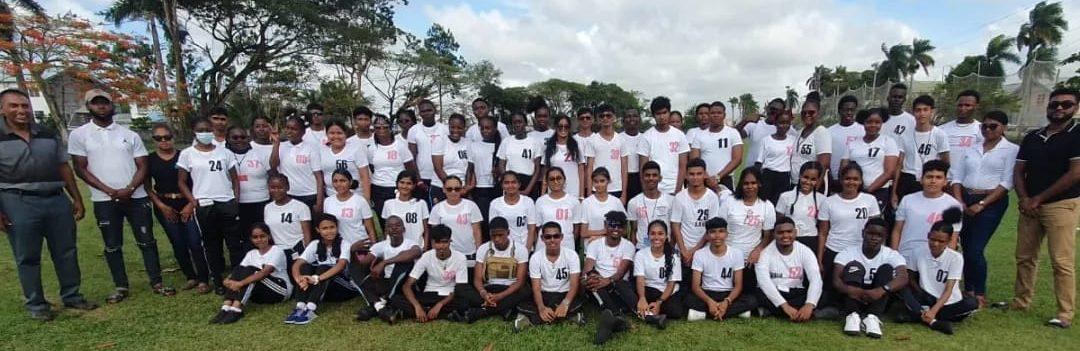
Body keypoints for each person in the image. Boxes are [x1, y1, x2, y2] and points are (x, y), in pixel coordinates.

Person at [0, 88, 97, 320]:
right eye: (14, 106)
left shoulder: (46, 133)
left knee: (66, 251)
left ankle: (72, 296)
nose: (21, 110)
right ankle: (36, 304)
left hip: (55, 199)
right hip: (17, 201)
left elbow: (64, 167)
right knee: (27, 255)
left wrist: (76, 198)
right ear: (2, 109)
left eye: (25, 106)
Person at [69, 89, 170, 301]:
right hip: (105, 199)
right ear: (89, 107)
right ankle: (121, 286)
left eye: (104, 102)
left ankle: (157, 281)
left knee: (147, 240)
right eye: (96, 103)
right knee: (112, 244)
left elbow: (142, 165)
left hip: (136, 197)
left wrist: (130, 189)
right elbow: (80, 168)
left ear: (111, 105)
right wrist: (109, 191)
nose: (101, 106)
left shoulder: (129, 135)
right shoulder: (79, 135)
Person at [1010, 88, 1080, 329]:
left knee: (1061, 261)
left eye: (1066, 104)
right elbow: (1019, 170)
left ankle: (1064, 313)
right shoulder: (1033, 136)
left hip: (1061, 205)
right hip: (1030, 205)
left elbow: (1075, 174)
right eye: (1054, 104)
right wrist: (1024, 198)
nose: (1059, 108)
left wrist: (1038, 198)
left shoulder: (1077, 134)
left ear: (1075, 107)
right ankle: (1020, 301)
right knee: (1025, 257)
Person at [949, 110, 1018, 307]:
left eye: (993, 126)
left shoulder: (1011, 150)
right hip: (965, 197)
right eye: (984, 126)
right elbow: (957, 176)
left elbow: (1006, 182)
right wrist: (959, 200)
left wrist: (982, 204)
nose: (987, 130)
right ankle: (968, 289)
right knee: (966, 245)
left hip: (991, 201)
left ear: (1003, 127)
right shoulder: (972, 148)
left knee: (976, 248)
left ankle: (979, 292)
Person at [178, 117, 241, 295]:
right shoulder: (187, 154)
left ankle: (237, 278)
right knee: (212, 245)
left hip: (226, 201)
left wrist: (235, 199)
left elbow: (235, 178)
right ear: (194, 131)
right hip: (204, 204)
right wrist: (193, 201)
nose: (205, 132)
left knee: (234, 243)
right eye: (201, 129)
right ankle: (218, 280)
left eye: (208, 129)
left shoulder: (224, 152)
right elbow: (182, 182)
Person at [146, 124, 209, 293]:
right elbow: (146, 186)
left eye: (167, 137)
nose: (164, 141)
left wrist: (191, 203)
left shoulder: (185, 155)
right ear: (154, 140)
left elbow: (197, 180)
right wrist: (160, 205)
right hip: (165, 204)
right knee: (178, 242)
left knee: (195, 241)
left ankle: (203, 278)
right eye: (159, 138)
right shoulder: (150, 160)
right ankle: (190, 276)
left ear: (173, 137)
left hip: (188, 201)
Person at [897, 208, 977, 335]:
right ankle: (932, 321)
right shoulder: (918, 252)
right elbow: (910, 277)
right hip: (926, 297)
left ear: (949, 241)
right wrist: (920, 292)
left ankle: (920, 315)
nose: (935, 244)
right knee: (902, 288)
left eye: (941, 241)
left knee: (972, 303)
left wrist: (933, 310)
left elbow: (949, 289)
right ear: (928, 236)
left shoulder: (955, 258)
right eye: (932, 239)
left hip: (947, 301)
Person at [817, 163, 881, 308]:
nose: (851, 182)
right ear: (841, 180)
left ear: (861, 181)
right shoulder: (829, 202)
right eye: (847, 178)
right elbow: (822, 233)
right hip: (834, 250)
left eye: (855, 179)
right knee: (830, 292)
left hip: (860, 251)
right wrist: (820, 260)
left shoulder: (869, 200)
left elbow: (877, 230)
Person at [833, 218, 909, 339]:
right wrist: (853, 291)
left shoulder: (891, 254)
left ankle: (872, 317)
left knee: (886, 269)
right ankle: (853, 315)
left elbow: (903, 277)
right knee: (854, 266)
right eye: (870, 233)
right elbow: (836, 280)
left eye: (879, 235)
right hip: (854, 294)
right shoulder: (848, 252)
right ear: (863, 233)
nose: (874, 238)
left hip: (878, 295)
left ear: (885, 237)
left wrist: (882, 289)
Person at [383, 225, 468, 324]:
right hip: (428, 295)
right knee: (396, 299)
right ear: (432, 243)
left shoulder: (460, 258)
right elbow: (407, 286)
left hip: (449, 297)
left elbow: (460, 288)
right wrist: (417, 306)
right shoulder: (426, 256)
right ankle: (445, 314)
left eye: (444, 242)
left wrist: (440, 305)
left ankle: (413, 313)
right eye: (437, 242)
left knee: (464, 302)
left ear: (450, 241)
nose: (441, 246)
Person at [284, 213, 358, 325]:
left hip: (344, 288)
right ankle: (300, 306)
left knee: (323, 267)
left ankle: (311, 308)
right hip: (324, 288)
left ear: (337, 227)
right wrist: (299, 279)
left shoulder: (344, 244)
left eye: (332, 227)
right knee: (305, 267)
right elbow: (297, 264)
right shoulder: (315, 244)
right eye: (324, 228)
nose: (329, 231)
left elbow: (340, 266)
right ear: (318, 230)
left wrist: (316, 279)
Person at [211, 223, 292, 324]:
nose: (259, 239)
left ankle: (236, 310)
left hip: (279, 290)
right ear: (251, 239)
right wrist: (228, 279)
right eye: (255, 237)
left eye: (262, 236)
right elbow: (239, 271)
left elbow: (264, 273)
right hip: (260, 293)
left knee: (252, 271)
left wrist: (240, 283)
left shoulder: (277, 251)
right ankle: (226, 307)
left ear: (269, 236)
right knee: (242, 269)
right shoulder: (251, 253)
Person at [454, 217, 530, 322]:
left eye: (500, 235)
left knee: (526, 290)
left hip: (509, 290)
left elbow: (519, 282)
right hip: (489, 288)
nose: (497, 239)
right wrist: (484, 294)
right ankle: (503, 309)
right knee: (460, 288)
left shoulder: (520, 249)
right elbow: (477, 279)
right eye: (493, 236)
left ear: (508, 233)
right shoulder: (483, 249)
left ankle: (481, 312)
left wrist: (500, 296)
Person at [514, 222, 586, 332]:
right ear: (542, 238)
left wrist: (565, 304)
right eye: (548, 237)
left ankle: (531, 318)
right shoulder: (536, 257)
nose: (552, 240)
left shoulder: (572, 255)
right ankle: (568, 317)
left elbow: (574, 285)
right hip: (544, 294)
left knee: (579, 301)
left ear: (561, 237)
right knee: (523, 302)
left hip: (564, 294)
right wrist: (541, 308)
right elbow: (536, 288)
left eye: (556, 236)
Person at [686, 218, 759, 321]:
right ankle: (733, 312)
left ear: (726, 234)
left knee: (752, 300)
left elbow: (738, 285)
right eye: (712, 232)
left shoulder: (736, 253)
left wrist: (726, 302)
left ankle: (704, 314)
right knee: (687, 299)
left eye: (721, 231)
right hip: (707, 293)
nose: (717, 236)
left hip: (728, 293)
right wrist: (710, 302)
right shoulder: (699, 254)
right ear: (707, 235)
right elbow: (695, 286)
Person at [892, 160, 963, 264]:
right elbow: (897, 230)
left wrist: (945, 262)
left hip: (935, 258)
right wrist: (894, 255)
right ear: (921, 179)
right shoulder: (907, 200)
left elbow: (953, 237)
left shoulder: (954, 205)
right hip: (906, 256)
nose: (933, 181)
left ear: (945, 181)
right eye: (929, 177)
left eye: (938, 177)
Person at [353, 216, 421, 322]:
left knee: (403, 262)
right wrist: (353, 251)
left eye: (398, 225)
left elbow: (416, 252)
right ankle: (381, 307)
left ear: (404, 229)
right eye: (390, 226)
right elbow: (363, 264)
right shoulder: (381, 245)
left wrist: (384, 262)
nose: (394, 228)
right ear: (386, 230)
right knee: (358, 272)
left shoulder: (411, 244)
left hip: (404, 283)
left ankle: (374, 307)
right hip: (387, 282)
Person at [671, 158, 724, 291]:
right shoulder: (680, 197)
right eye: (692, 174)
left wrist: (694, 251)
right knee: (682, 289)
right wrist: (684, 251)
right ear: (686, 176)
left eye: (699, 174)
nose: (695, 177)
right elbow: (675, 226)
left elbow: (711, 229)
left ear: (704, 174)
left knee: (702, 286)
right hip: (683, 251)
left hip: (704, 250)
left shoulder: (712, 197)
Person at [583, 211, 636, 345]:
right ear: (606, 226)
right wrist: (594, 278)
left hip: (616, 284)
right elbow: (588, 268)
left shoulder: (628, 245)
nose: (615, 229)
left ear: (624, 229)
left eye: (620, 226)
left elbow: (620, 272)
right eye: (612, 225)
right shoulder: (594, 245)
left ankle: (614, 318)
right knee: (593, 282)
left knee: (620, 283)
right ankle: (617, 317)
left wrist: (607, 281)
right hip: (598, 284)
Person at [756, 217, 822, 322]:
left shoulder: (805, 251)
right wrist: (784, 305)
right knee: (757, 296)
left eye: (789, 232)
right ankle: (807, 313)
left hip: (796, 292)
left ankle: (771, 312)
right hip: (774, 292)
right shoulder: (764, 253)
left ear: (796, 232)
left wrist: (809, 304)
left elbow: (815, 278)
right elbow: (764, 282)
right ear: (774, 234)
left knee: (825, 294)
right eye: (780, 232)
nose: (785, 236)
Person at [841, 108, 899, 220]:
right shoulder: (853, 143)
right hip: (854, 191)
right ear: (863, 123)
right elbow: (843, 168)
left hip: (878, 192)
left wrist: (868, 191)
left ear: (882, 123)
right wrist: (853, 189)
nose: (873, 125)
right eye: (869, 122)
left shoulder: (888, 141)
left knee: (873, 225)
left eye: (877, 122)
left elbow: (889, 172)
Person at [893, 95, 950, 205]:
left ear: (932, 111)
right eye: (918, 110)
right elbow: (899, 164)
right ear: (913, 112)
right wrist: (894, 192)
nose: (922, 114)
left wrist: (940, 183)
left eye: (925, 110)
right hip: (907, 179)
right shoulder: (905, 134)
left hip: (929, 179)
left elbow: (945, 163)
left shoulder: (939, 134)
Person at [719, 168, 776, 273]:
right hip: (727, 258)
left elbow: (768, 236)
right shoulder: (729, 202)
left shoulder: (767, 206)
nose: (750, 187)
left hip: (751, 261)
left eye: (753, 183)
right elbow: (719, 230)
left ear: (759, 184)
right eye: (746, 183)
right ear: (741, 184)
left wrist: (758, 251)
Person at [227, 125, 273, 255]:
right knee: (242, 237)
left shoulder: (259, 154)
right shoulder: (224, 155)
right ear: (228, 139)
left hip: (261, 201)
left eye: (243, 137)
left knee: (262, 235)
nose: (239, 140)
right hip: (236, 203)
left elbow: (272, 175)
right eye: (235, 137)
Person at [631, 220, 685, 328]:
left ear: (666, 236)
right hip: (648, 289)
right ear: (648, 236)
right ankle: (650, 313)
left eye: (660, 233)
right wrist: (642, 298)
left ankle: (647, 312)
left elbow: (671, 284)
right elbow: (640, 279)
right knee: (631, 294)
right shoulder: (641, 254)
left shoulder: (674, 256)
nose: (656, 237)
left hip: (666, 292)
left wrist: (659, 303)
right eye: (653, 233)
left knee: (676, 311)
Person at [270, 116, 323, 213]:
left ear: (303, 132)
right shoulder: (281, 146)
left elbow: (319, 177)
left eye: (294, 129)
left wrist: (319, 202)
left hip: (309, 195)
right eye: (287, 128)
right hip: (288, 196)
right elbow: (273, 165)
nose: (289, 131)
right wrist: (276, 144)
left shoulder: (311, 148)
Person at [638, 96, 689, 195]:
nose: (662, 117)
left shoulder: (679, 135)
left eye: (664, 112)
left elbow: (683, 165)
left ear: (669, 112)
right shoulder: (646, 137)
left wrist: (678, 191)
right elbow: (643, 168)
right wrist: (646, 191)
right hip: (654, 190)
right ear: (653, 115)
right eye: (658, 114)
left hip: (675, 189)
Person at [368, 115, 416, 220]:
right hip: (378, 189)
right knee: (384, 220)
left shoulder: (400, 145)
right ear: (374, 129)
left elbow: (410, 168)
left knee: (399, 219)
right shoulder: (371, 148)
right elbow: (371, 168)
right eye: (378, 127)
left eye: (385, 127)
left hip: (398, 188)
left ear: (390, 128)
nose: (381, 130)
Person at [428, 176, 483, 267]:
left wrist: (479, 254)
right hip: (447, 256)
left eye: (457, 189)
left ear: (461, 189)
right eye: (449, 189)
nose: (453, 192)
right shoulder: (437, 209)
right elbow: (435, 236)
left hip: (469, 255)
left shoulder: (471, 206)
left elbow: (477, 232)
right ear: (444, 190)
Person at [689, 101, 743, 192]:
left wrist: (718, 177)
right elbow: (694, 160)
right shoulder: (699, 136)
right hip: (704, 180)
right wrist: (707, 177)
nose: (716, 115)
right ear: (709, 115)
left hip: (726, 178)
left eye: (719, 113)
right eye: (713, 113)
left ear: (724, 115)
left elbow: (737, 159)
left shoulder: (732, 133)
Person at [585, 104, 630, 203]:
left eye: (608, 115)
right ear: (598, 119)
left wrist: (624, 193)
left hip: (616, 189)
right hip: (596, 188)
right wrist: (589, 193)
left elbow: (624, 168)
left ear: (614, 118)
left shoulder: (621, 140)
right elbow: (589, 168)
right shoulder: (592, 140)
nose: (605, 118)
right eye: (602, 116)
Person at [775, 162, 825, 251]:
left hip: (811, 240)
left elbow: (822, 229)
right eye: (805, 177)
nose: (808, 182)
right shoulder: (785, 196)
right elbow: (779, 224)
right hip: (790, 240)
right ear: (800, 176)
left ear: (817, 180)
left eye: (813, 179)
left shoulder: (822, 199)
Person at [407, 100, 448, 207]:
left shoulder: (445, 129)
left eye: (429, 110)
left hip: (440, 177)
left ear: (435, 110)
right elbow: (412, 157)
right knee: (423, 209)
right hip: (422, 177)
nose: (426, 113)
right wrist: (418, 179)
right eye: (423, 111)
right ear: (419, 113)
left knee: (440, 209)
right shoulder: (414, 130)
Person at [319, 119, 371, 201]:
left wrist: (367, 199)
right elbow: (321, 176)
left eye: (339, 133)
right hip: (331, 197)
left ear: (345, 134)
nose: (336, 136)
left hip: (355, 196)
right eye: (332, 133)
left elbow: (365, 176)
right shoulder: (322, 151)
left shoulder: (356, 149)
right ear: (326, 134)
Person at [263, 173, 312, 260]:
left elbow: (307, 234)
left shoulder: (301, 207)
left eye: (280, 187)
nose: (276, 191)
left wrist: (306, 256)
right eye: (273, 188)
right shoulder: (267, 208)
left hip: (297, 249)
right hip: (277, 251)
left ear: (288, 187)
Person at [627, 161, 674, 250]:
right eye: (647, 175)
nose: (651, 178)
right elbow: (633, 230)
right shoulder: (633, 202)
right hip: (641, 248)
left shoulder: (670, 200)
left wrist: (671, 247)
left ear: (660, 178)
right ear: (642, 177)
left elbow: (673, 227)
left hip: (664, 248)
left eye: (654, 175)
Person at [534, 167, 582, 252]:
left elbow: (576, 228)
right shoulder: (540, 201)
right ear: (547, 182)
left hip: (567, 247)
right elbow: (537, 227)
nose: (555, 182)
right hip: (544, 247)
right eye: (552, 179)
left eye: (559, 178)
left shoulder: (574, 201)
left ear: (564, 180)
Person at [323, 170, 376, 246]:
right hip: (339, 247)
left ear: (350, 182)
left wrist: (373, 251)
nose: (339, 184)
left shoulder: (360, 201)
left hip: (360, 245)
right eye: (335, 181)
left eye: (342, 181)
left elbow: (370, 230)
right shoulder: (327, 201)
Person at [789, 96, 832, 189]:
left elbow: (824, 164)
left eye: (811, 112)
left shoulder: (821, 132)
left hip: (811, 186)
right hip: (796, 183)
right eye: (804, 112)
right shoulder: (799, 132)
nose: (807, 115)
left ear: (818, 114)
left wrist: (815, 189)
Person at [497, 112, 543, 198]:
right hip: (511, 183)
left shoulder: (534, 142)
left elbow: (537, 169)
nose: (517, 124)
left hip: (529, 183)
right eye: (515, 122)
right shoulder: (506, 142)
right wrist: (508, 183)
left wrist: (528, 190)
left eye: (520, 122)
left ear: (525, 123)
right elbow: (501, 165)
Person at [467, 116, 501, 231]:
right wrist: (468, 190)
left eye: (488, 128)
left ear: (495, 128)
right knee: (483, 222)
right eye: (482, 128)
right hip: (480, 189)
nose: (485, 131)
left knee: (496, 222)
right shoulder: (474, 146)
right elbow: (470, 169)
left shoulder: (501, 145)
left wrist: (497, 171)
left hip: (497, 188)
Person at [755, 110, 796, 204]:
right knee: (765, 204)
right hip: (768, 176)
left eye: (787, 123)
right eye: (781, 122)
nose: (784, 125)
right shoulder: (766, 140)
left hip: (785, 177)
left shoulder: (793, 140)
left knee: (780, 205)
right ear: (775, 123)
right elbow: (759, 162)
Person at [489, 172, 537, 250]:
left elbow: (531, 229)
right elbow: (493, 231)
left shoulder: (528, 202)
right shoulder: (495, 204)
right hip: (504, 249)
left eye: (513, 182)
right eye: (507, 183)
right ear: (502, 185)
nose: (510, 185)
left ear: (519, 184)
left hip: (524, 247)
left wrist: (526, 252)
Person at [543, 114, 586, 199]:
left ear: (569, 128)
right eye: (560, 126)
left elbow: (581, 172)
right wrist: (542, 194)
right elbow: (546, 173)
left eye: (566, 126)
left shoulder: (576, 146)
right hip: (553, 193)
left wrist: (581, 195)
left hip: (573, 193)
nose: (563, 129)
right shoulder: (549, 147)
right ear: (555, 127)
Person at [382, 170, 430, 247]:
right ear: (397, 183)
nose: (404, 186)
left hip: (416, 247)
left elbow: (426, 229)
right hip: (394, 248)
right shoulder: (388, 204)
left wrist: (425, 247)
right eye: (402, 182)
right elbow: (386, 229)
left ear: (414, 185)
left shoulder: (421, 203)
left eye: (409, 183)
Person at [580, 168, 627, 242]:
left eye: (602, 181)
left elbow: (624, 231)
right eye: (596, 181)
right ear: (592, 183)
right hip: (592, 248)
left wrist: (600, 237)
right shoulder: (586, 203)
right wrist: (606, 231)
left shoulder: (616, 202)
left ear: (608, 181)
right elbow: (583, 233)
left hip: (613, 247)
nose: (599, 184)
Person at [828, 96, 865, 192]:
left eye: (852, 110)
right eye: (846, 110)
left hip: (854, 180)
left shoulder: (862, 130)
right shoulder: (829, 131)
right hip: (834, 179)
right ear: (839, 111)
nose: (849, 113)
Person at [431, 113, 469, 203]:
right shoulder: (439, 141)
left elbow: (470, 168)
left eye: (459, 128)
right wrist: (452, 187)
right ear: (449, 127)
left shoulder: (468, 143)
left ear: (464, 128)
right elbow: (438, 168)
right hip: (441, 187)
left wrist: (466, 187)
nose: (455, 130)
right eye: (452, 127)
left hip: (462, 188)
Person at [737, 98, 786, 169]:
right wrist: (745, 120)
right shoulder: (754, 125)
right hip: (752, 172)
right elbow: (735, 135)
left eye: (779, 111)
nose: (774, 112)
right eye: (772, 109)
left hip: (773, 172)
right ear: (767, 108)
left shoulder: (787, 129)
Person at [938, 90, 983, 157]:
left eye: (967, 105)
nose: (962, 108)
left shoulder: (983, 130)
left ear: (977, 106)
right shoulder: (941, 129)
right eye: (960, 105)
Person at [620, 108, 644, 200]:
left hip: (640, 178)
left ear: (639, 119)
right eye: (628, 117)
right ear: (623, 120)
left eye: (635, 116)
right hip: (623, 178)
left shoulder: (645, 138)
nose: (632, 119)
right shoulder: (618, 138)